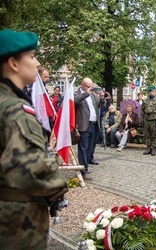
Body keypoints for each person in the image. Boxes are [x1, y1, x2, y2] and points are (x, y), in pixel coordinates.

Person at [0, 29, 68, 249]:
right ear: (13, 63)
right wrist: (58, 188)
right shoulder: (15, 109)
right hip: (16, 221)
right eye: (31, 56)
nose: (37, 62)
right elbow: (30, 168)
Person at [75, 78, 104, 180]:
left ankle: (85, 166)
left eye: (91, 87)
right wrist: (86, 93)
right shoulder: (77, 93)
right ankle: (84, 171)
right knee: (83, 148)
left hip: (94, 125)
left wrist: (101, 98)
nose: (90, 89)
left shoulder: (93, 95)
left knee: (90, 148)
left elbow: (100, 105)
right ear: (82, 85)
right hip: (83, 125)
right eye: (88, 86)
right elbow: (75, 102)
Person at [140, 85, 156, 156]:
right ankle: (148, 148)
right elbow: (142, 110)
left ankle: (154, 148)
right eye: (150, 91)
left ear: (155, 92)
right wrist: (142, 119)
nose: (151, 93)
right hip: (147, 119)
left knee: (154, 134)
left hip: (154, 119)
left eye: (153, 91)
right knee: (147, 134)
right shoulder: (145, 100)